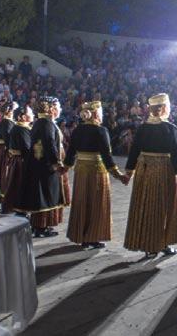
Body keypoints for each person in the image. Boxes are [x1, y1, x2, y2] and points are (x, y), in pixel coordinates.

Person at [124, 93, 177, 258]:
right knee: (165, 207)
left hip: (144, 170)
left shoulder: (143, 128)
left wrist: (128, 172)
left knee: (144, 206)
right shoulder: (171, 128)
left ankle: (148, 245)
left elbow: (134, 151)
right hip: (165, 170)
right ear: (165, 108)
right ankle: (163, 243)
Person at [64, 101, 127, 249]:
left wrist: (65, 167)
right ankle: (93, 237)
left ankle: (81, 236)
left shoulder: (77, 130)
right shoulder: (101, 131)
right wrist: (118, 175)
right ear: (96, 114)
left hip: (80, 171)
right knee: (96, 203)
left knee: (81, 201)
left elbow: (70, 153)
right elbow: (107, 156)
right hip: (96, 172)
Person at [18, 97, 67, 237]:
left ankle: (42, 226)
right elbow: (50, 143)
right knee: (45, 195)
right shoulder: (46, 124)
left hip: (40, 164)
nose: (60, 109)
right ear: (51, 109)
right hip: (45, 166)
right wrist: (56, 163)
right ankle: (40, 227)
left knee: (44, 195)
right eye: (58, 107)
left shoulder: (42, 122)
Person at [2, 106, 33, 214]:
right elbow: (27, 148)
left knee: (14, 184)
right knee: (19, 184)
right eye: (31, 113)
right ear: (23, 117)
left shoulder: (21, 128)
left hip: (17, 160)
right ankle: (19, 208)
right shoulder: (21, 129)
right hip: (21, 161)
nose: (33, 114)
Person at [0, 102, 17, 193]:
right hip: (4, 149)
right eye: (14, 110)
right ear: (9, 112)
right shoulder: (7, 122)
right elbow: (7, 138)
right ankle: (3, 191)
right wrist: (11, 150)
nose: (15, 112)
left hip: (2, 148)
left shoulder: (7, 121)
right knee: (3, 170)